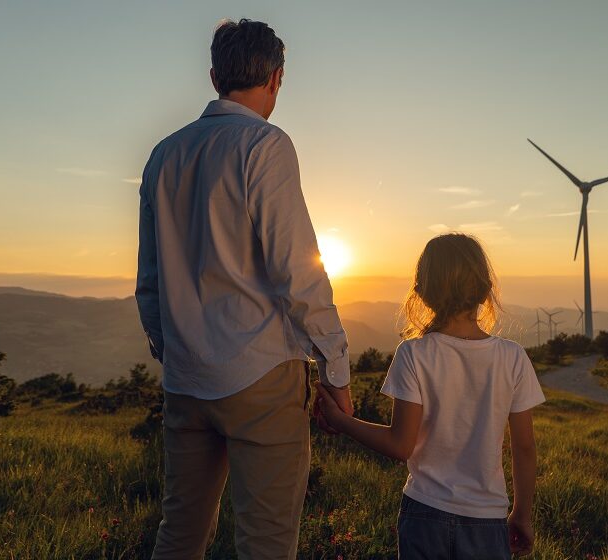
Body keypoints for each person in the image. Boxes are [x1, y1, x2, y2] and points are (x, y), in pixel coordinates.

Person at [135, 18, 353, 560]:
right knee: (266, 543)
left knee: (179, 535)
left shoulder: (164, 154)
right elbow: (299, 273)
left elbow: (149, 283)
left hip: (186, 381)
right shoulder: (266, 146)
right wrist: (336, 368)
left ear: (214, 76)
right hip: (260, 377)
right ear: (276, 79)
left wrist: (174, 352)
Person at [316, 233, 545, 559]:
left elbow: (400, 445)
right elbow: (524, 447)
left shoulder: (413, 354)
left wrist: (342, 421)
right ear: (484, 289)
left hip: (425, 513)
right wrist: (522, 513)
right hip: (487, 520)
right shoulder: (513, 357)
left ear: (422, 291)